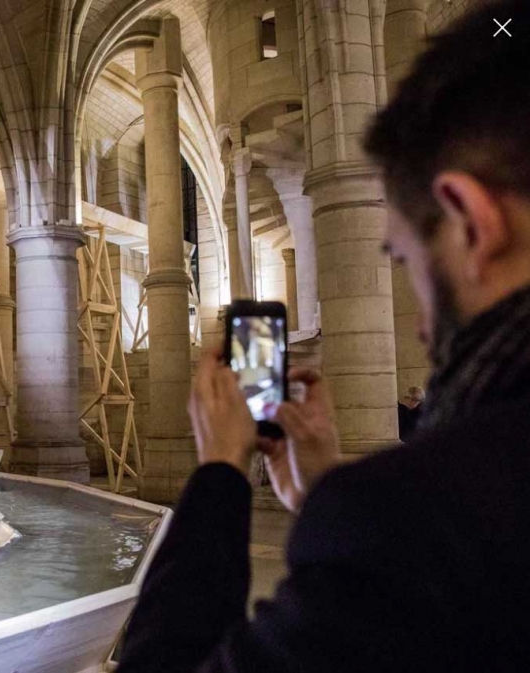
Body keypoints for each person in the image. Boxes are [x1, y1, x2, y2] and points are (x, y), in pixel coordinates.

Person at [119, 2, 530, 670]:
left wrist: (222, 469)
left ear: (472, 223)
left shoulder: (423, 516)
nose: (422, 325)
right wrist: (330, 491)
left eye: (405, 259)